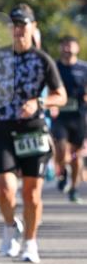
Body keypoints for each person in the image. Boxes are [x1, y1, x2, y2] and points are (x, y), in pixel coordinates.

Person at [0, 4, 66, 263]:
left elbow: (60, 95)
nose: (19, 30)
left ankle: (30, 242)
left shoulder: (42, 60)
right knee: (3, 187)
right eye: (15, 25)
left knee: (31, 193)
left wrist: (39, 103)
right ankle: (10, 226)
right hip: (4, 127)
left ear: (33, 27)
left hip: (32, 129)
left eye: (23, 24)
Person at [51, 36, 87, 203]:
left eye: (71, 46)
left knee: (76, 155)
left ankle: (73, 188)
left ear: (77, 48)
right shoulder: (55, 67)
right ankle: (62, 171)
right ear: (61, 48)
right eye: (65, 45)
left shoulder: (83, 68)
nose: (68, 49)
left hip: (79, 116)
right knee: (60, 148)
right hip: (60, 116)